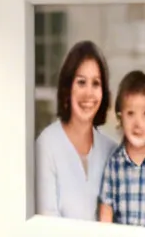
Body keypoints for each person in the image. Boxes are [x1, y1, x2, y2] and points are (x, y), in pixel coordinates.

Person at [33, 40, 114, 221]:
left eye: (96, 83)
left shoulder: (112, 151)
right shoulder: (46, 145)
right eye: (81, 82)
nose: (88, 93)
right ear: (67, 88)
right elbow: (47, 227)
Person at [97, 71, 145, 230]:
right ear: (120, 118)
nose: (138, 123)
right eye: (130, 114)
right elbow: (106, 213)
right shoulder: (113, 166)